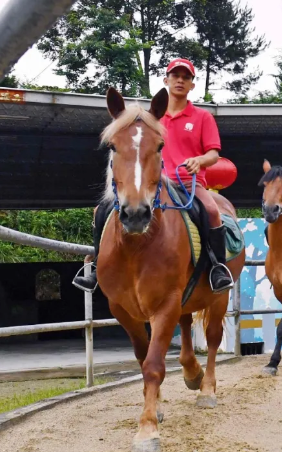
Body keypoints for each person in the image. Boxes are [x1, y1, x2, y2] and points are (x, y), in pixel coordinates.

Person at [74, 58, 234, 294]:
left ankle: (217, 267)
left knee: (211, 211)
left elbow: (213, 154)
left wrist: (198, 161)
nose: (180, 80)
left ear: (192, 84)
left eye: (186, 77)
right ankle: (98, 266)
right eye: (175, 75)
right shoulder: (151, 119)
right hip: (154, 182)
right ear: (165, 80)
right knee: (101, 210)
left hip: (190, 183)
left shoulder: (202, 117)